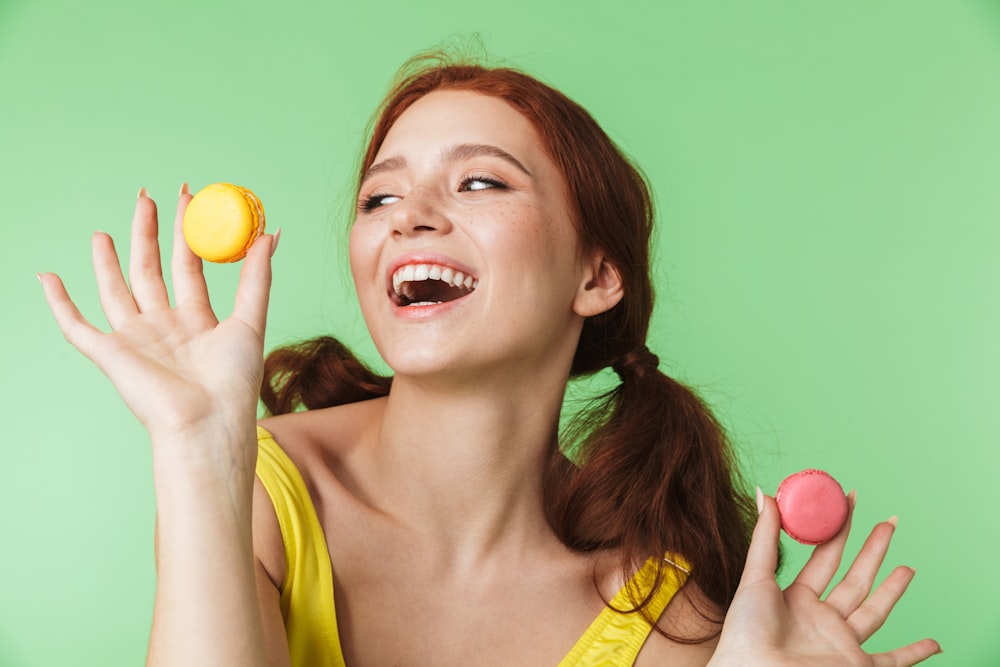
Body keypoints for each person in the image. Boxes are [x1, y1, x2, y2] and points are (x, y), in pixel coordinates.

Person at [40, 52, 941, 666]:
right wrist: (199, 451)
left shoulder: (669, 613)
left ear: (596, 275)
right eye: (379, 194)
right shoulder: (254, 485)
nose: (410, 214)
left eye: (479, 180)